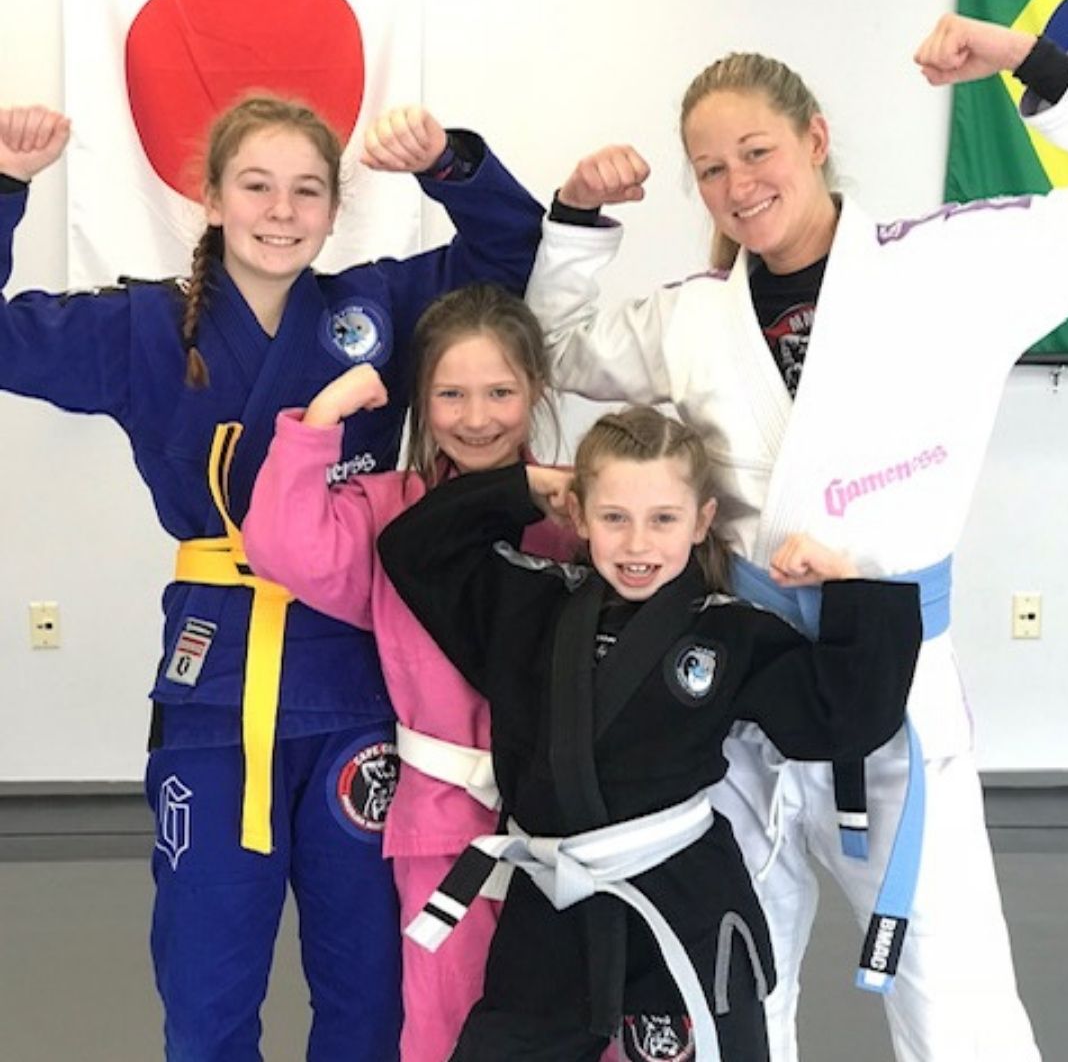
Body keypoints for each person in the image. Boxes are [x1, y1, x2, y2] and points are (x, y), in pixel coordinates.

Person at [521, 12, 1068, 1062]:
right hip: (737, 688)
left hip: (894, 684)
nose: (737, 185)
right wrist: (578, 215)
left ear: (816, 138)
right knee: (733, 974)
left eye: (758, 152)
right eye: (710, 169)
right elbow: (548, 347)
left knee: (951, 989)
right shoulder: (693, 317)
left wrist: (1026, 62)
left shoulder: (950, 266)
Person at [0, 96, 544, 1060]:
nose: (282, 209)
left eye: (308, 190)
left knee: (370, 992)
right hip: (217, 687)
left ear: (335, 211)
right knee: (207, 991)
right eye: (256, 185)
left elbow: (507, 255)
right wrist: (5, 187)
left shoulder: (372, 312)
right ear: (209, 197)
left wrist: (450, 163)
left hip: (357, 690)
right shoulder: (141, 327)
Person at [376, 404, 922, 1062]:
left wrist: (850, 587)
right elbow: (413, 549)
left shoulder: (728, 632)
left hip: (681, 898)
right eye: (614, 518)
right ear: (578, 517)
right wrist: (520, 488)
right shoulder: (526, 604)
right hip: (551, 902)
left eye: (663, 519)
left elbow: (843, 716)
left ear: (701, 522)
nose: (638, 545)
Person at [241, 282, 580, 1062]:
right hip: (443, 820)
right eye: (451, 394)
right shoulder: (389, 508)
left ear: (536, 391)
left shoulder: (576, 510)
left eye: (500, 392)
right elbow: (282, 546)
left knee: (572, 1017)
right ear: (421, 404)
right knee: (444, 1023)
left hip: (566, 817)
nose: (477, 416)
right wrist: (323, 420)